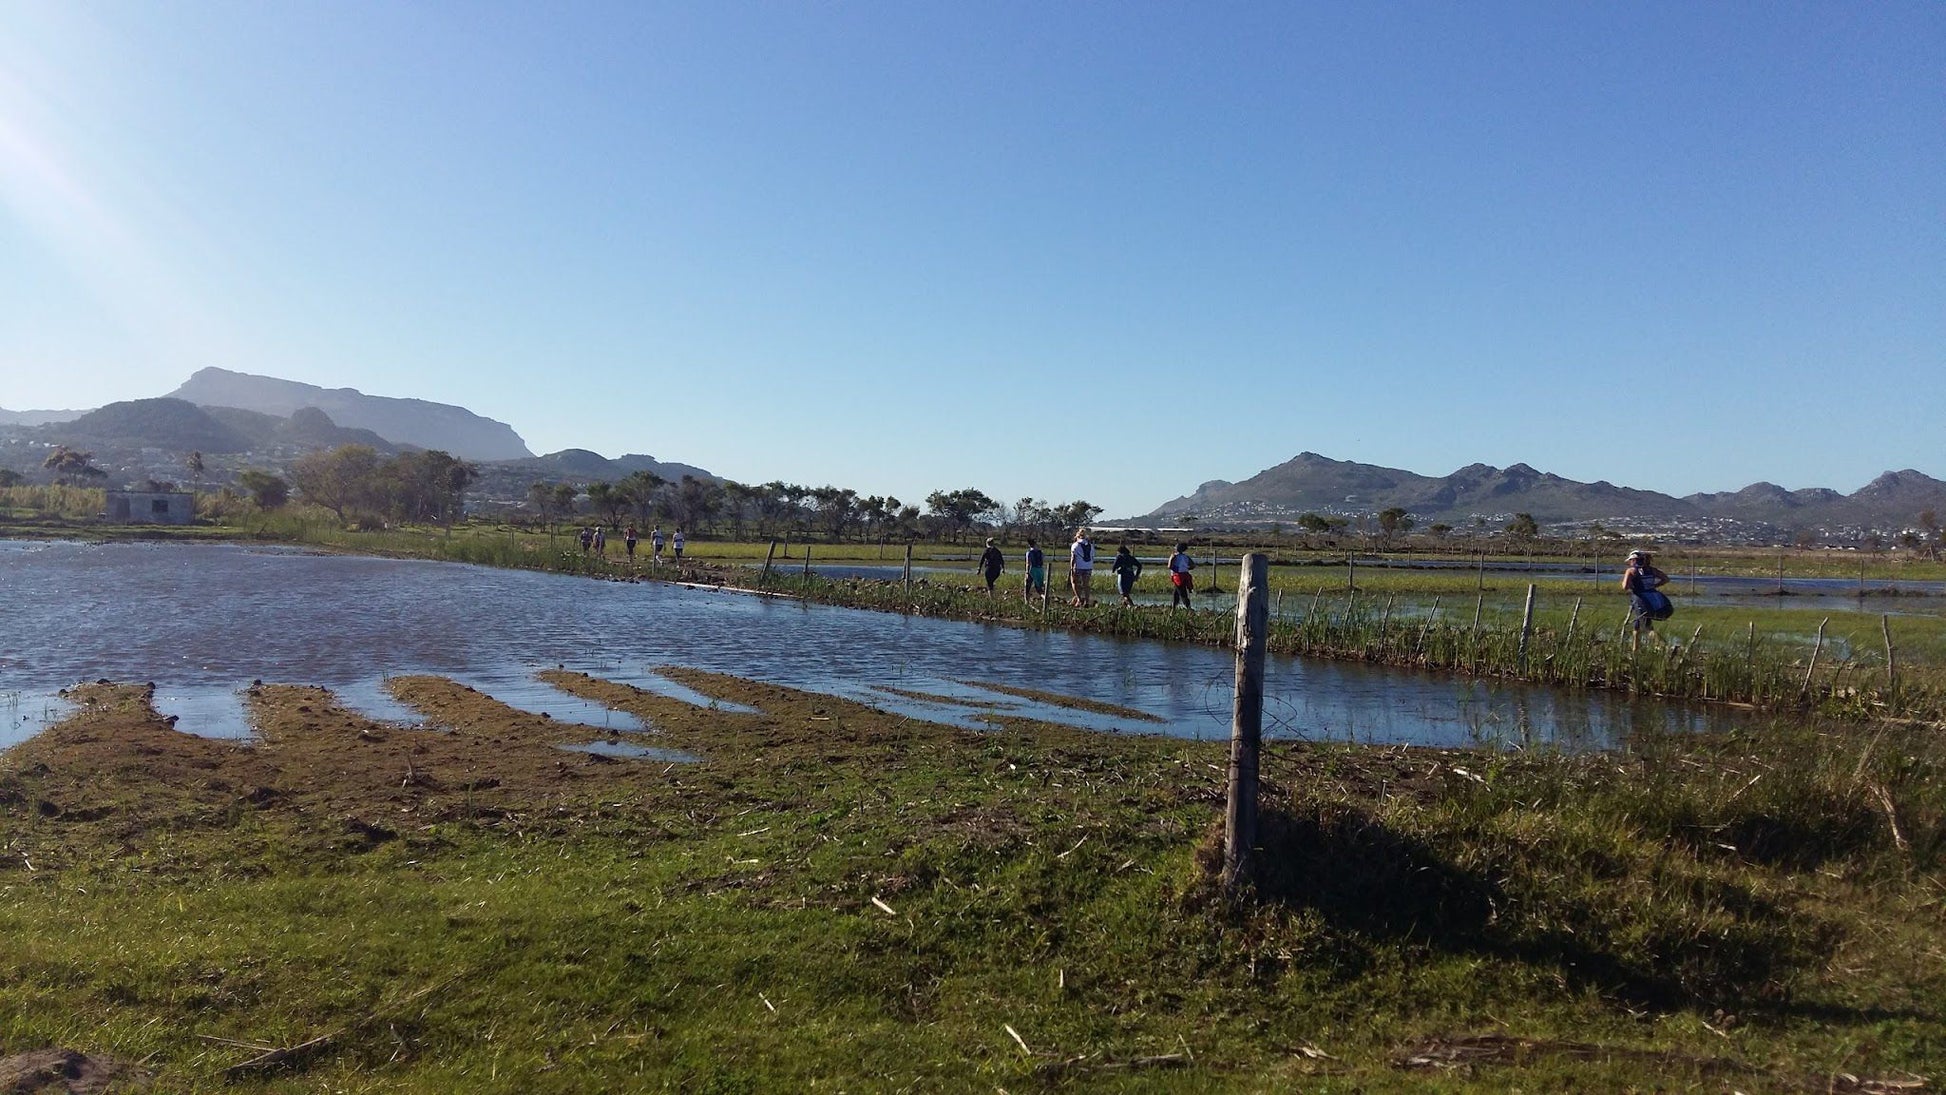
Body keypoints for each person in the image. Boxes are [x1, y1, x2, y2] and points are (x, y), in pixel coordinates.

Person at [1621, 549, 1670, 644]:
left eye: (1631, 560)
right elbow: (1665, 579)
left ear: (1634, 560)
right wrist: (1654, 586)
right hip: (1652, 598)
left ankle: (1662, 644)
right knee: (1637, 624)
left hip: (1639, 599)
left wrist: (1633, 586)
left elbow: (1625, 586)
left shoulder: (1631, 571)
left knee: (1647, 626)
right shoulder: (1652, 570)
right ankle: (1635, 648)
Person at [1069, 528, 1095, 607]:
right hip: (1088, 567)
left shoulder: (1075, 545)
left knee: (1074, 582)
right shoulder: (1091, 546)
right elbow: (1092, 557)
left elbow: (1073, 558)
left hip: (1079, 566)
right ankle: (1087, 601)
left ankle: (1079, 599)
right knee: (1086, 584)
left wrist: (1071, 568)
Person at [1167, 541, 1195, 609]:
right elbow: (1193, 565)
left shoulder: (1174, 556)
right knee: (1176, 593)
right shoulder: (1186, 557)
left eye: (1175, 546)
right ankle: (1173, 609)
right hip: (1185, 576)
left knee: (1183, 594)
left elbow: (1169, 566)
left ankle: (1189, 609)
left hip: (1178, 577)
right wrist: (1186, 569)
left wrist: (1175, 568)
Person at [1022, 538, 1046, 603]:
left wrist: (1027, 572)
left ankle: (1026, 601)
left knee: (1027, 586)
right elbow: (1042, 561)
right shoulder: (1040, 552)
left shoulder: (1029, 553)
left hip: (1032, 569)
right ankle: (1044, 597)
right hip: (1040, 570)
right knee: (1039, 588)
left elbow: (1028, 563)